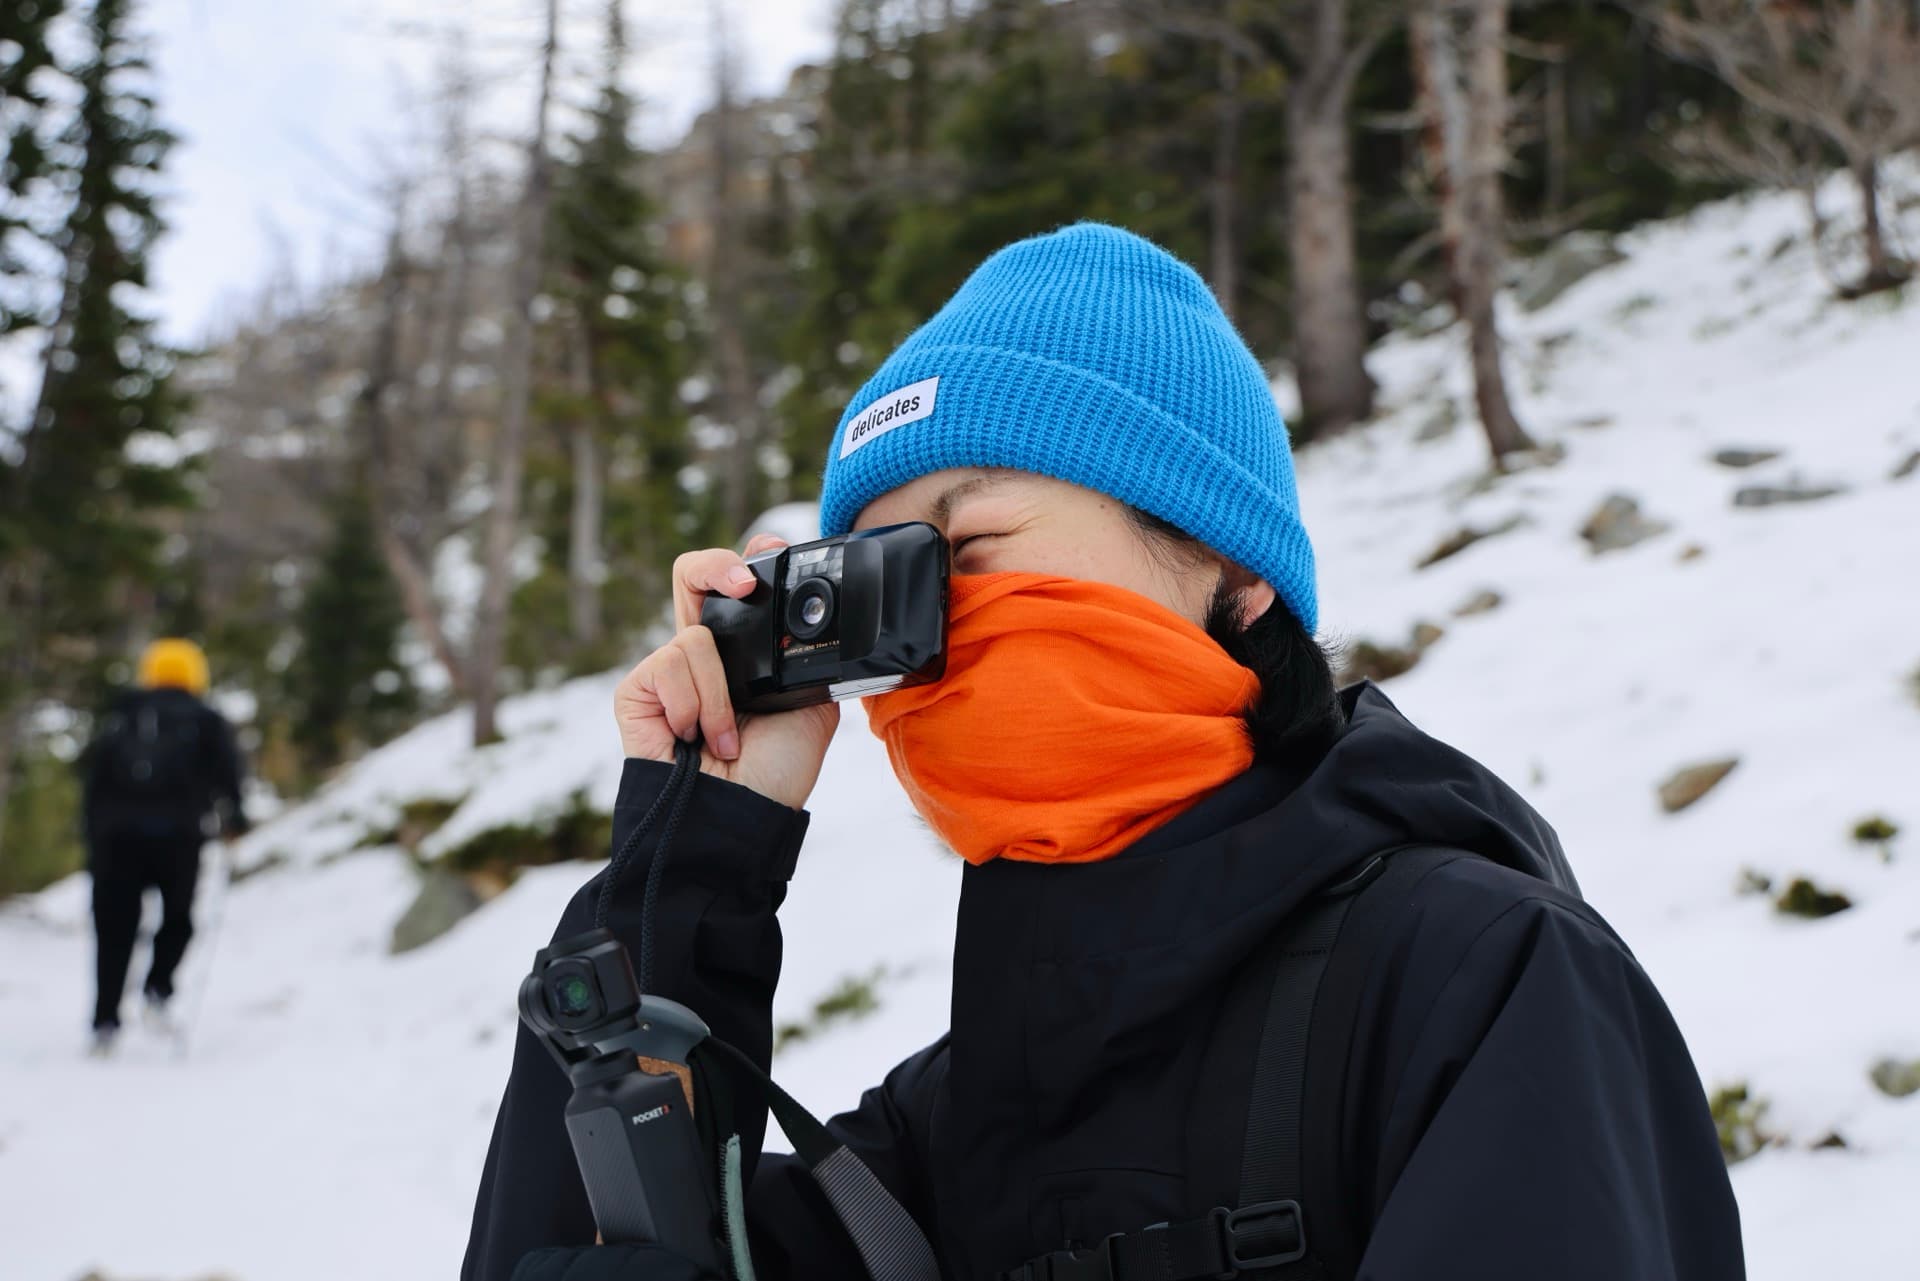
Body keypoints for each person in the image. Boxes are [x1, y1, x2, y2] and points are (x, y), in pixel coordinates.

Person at [465, 225, 1743, 1280]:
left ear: (1228, 569)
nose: (936, 634)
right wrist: (698, 852)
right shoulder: (944, 1129)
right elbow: (567, 1256)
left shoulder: (1482, 983)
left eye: (970, 551)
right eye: (888, 589)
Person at [81, 638, 248, 1055]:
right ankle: (158, 988)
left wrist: (91, 833)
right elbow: (229, 775)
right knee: (178, 919)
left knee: (114, 929)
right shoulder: (206, 719)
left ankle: (105, 1020)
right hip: (179, 838)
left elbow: (94, 778)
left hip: (116, 839)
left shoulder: (123, 714)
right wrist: (235, 820)